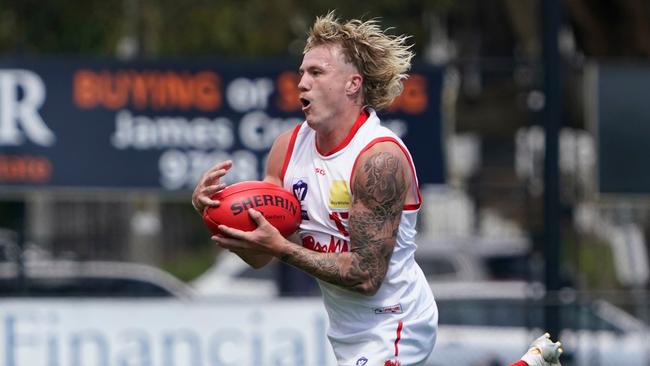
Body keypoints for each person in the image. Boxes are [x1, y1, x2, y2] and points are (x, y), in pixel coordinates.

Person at [192, 11, 436, 366]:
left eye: (317, 73)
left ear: (353, 84)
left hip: (396, 323)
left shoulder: (378, 159)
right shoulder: (287, 150)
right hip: (345, 331)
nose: (301, 83)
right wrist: (215, 213)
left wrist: (283, 249)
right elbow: (261, 256)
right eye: (301, 73)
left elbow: (366, 276)